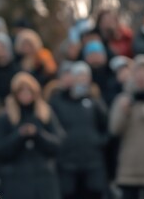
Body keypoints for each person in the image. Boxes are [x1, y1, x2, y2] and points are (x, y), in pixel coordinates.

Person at [0, 72, 63, 199]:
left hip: (44, 181)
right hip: (16, 181)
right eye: (21, 91)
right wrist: (19, 135)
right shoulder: (6, 117)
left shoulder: (45, 114)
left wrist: (38, 134)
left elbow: (58, 143)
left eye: (28, 91)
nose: (25, 95)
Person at [49, 61, 108, 199]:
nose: (81, 80)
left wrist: (98, 142)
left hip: (92, 163)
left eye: (84, 76)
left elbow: (106, 126)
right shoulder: (57, 101)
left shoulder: (95, 101)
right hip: (67, 164)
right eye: (78, 76)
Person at [109, 55, 144, 199]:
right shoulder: (123, 99)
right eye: (138, 72)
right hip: (128, 170)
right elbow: (114, 130)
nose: (141, 77)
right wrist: (124, 113)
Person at [82, 40, 117, 106]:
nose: (95, 57)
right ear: (86, 57)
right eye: (92, 54)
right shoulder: (84, 76)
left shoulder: (113, 72)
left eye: (98, 53)